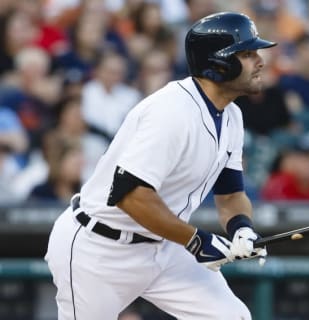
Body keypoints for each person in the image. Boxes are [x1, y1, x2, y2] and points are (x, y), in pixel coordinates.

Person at [45, 12, 274, 319]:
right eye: (247, 54)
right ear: (219, 63)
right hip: (99, 248)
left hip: (166, 247)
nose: (259, 61)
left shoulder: (232, 116)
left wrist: (241, 228)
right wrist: (196, 241)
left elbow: (231, 195)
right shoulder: (171, 111)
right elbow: (130, 195)